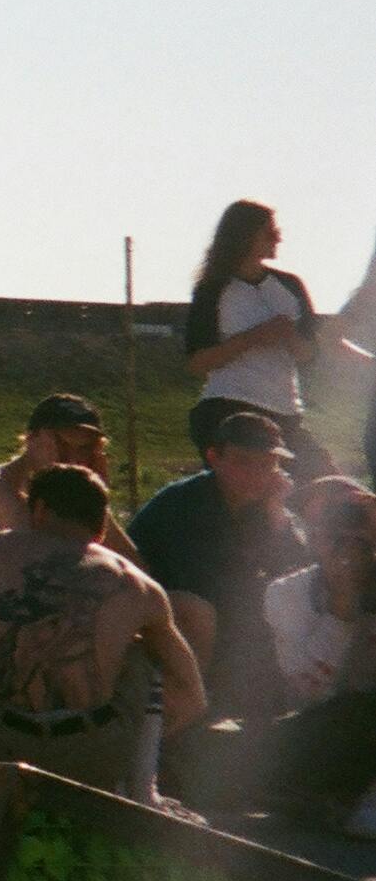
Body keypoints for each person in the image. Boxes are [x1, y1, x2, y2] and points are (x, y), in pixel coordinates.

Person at [0, 466, 205, 804]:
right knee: (142, 656)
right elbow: (193, 695)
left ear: (39, 509)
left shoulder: (1, 549)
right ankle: (143, 791)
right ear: (102, 526)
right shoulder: (140, 586)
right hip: (88, 752)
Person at [128, 409, 309, 724]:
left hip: (222, 622)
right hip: (165, 620)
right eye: (243, 461)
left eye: (266, 465)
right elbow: (210, 586)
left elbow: (299, 573)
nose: (255, 474)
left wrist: (277, 511)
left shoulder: (262, 507)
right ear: (214, 457)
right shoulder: (184, 506)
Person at [182, 199, 363, 478]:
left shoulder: (290, 285)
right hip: (228, 407)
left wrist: (289, 337)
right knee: (251, 492)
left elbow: (309, 354)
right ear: (244, 236)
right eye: (269, 232)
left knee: (331, 487)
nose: (278, 238)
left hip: (285, 413)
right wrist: (254, 337)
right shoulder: (212, 290)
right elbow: (197, 362)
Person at [261, 477, 376, 837]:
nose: (347, 543)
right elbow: (310, 691)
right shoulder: (287, 593)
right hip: (330, 726)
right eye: (331, 529)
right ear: (311, 537)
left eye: (357, 525)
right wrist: (342, 608)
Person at [0, 393, 141, 564]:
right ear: (31, 438)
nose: (73, 459)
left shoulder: (62, 496)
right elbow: (45, 547)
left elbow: (134, 568)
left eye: (85, 448)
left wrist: (97, 499)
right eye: (62, 445)